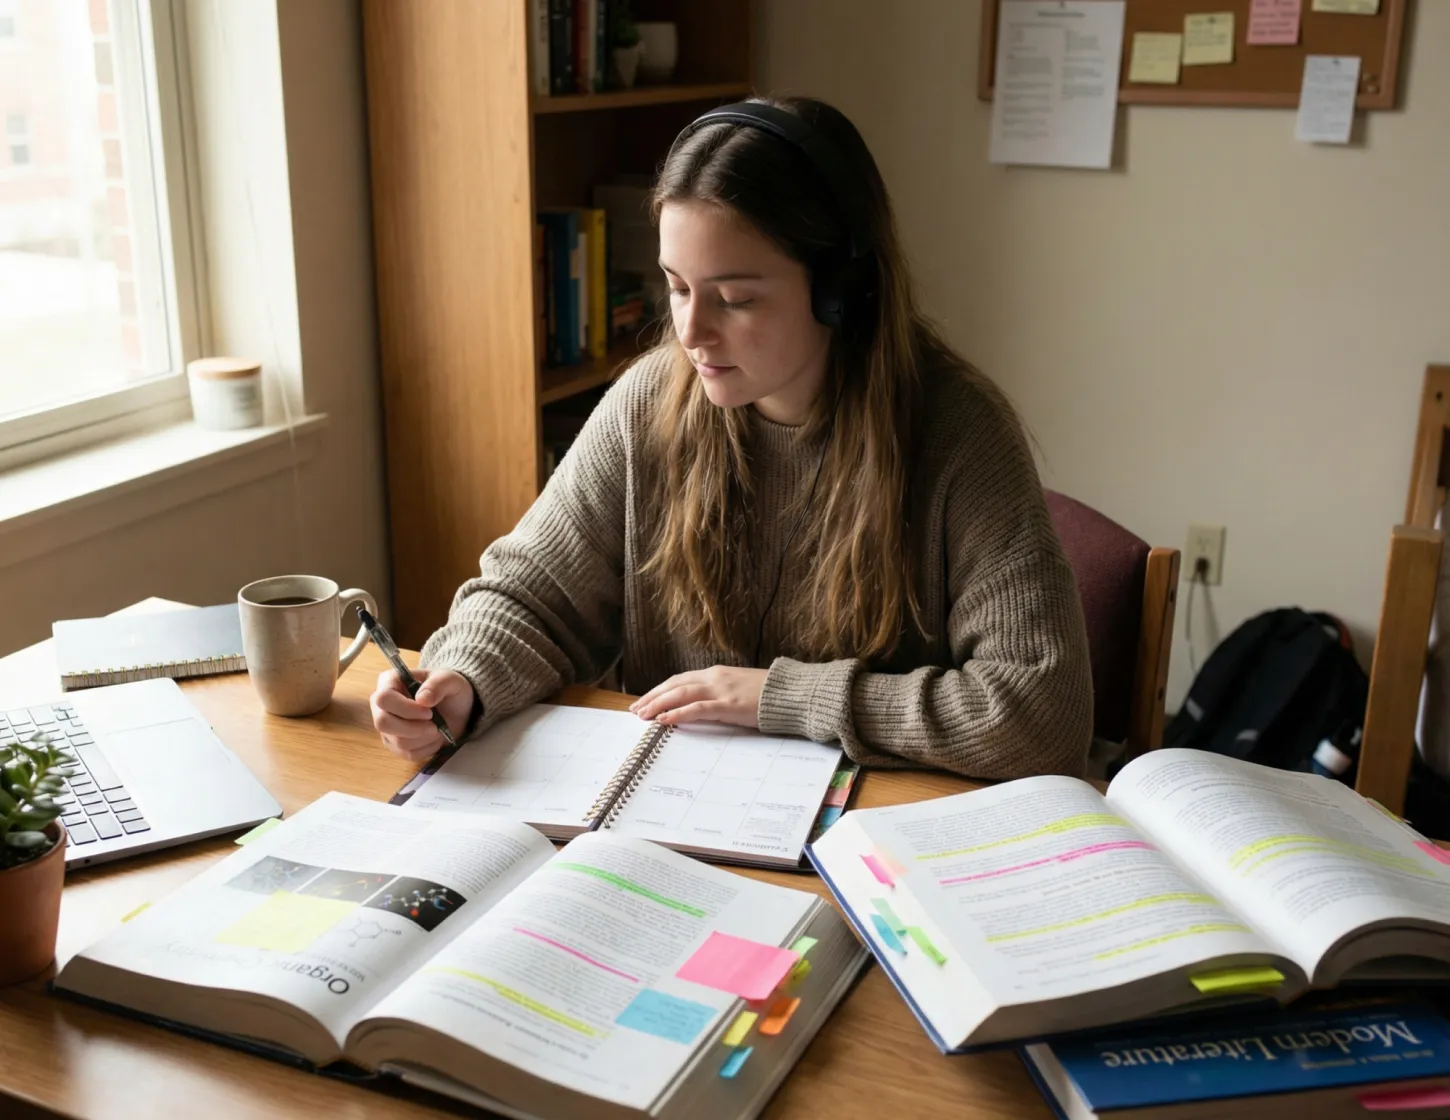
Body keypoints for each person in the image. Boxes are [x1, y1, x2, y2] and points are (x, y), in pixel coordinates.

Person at [370, 96, 1093, 780]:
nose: (689, 332)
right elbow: (534, 597)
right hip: (674, 834)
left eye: (735, 298)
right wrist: (462, 679)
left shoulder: (960, 434)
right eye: (677, 287)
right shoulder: (647, 402)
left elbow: (1039, 713)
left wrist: (783, 698)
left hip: (869, 848)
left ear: (842, 288)